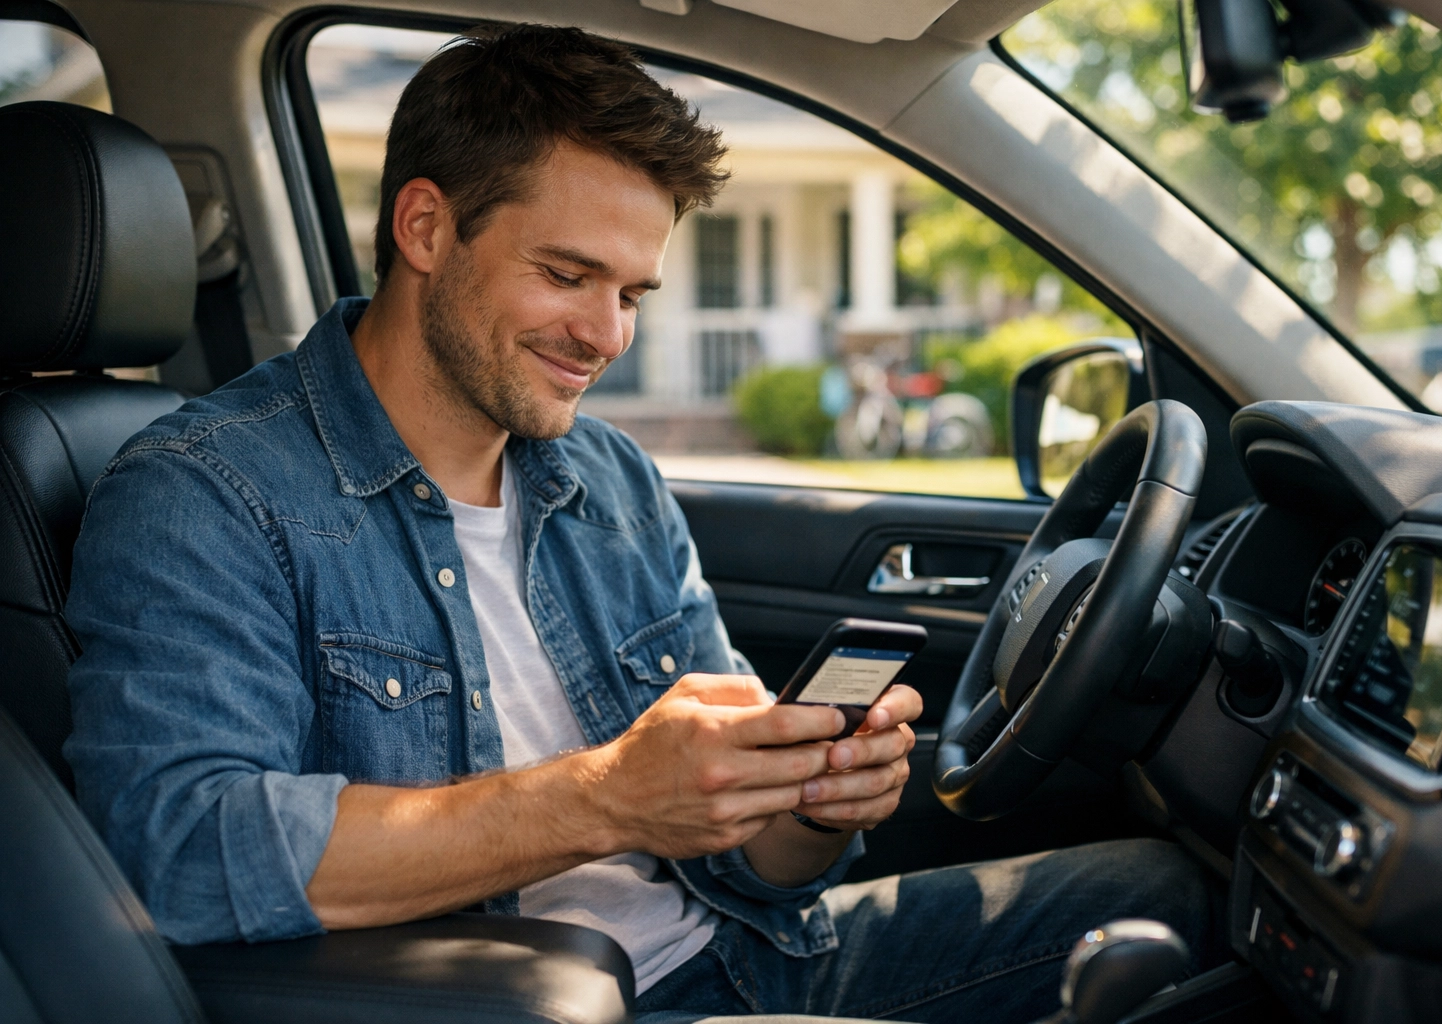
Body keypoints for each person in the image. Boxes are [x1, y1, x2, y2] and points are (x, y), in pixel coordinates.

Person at [65, 24, 1214, 1022]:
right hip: (544, 1005)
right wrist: (605, 794)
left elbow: (760, 870)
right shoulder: (207, 492)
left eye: (632, 293)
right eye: (568, 275)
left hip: (757, 955)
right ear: (425, 227)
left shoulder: (606, 478)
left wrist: (808, 803)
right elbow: (180, 850)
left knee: (1174, 897)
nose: (607, 336)